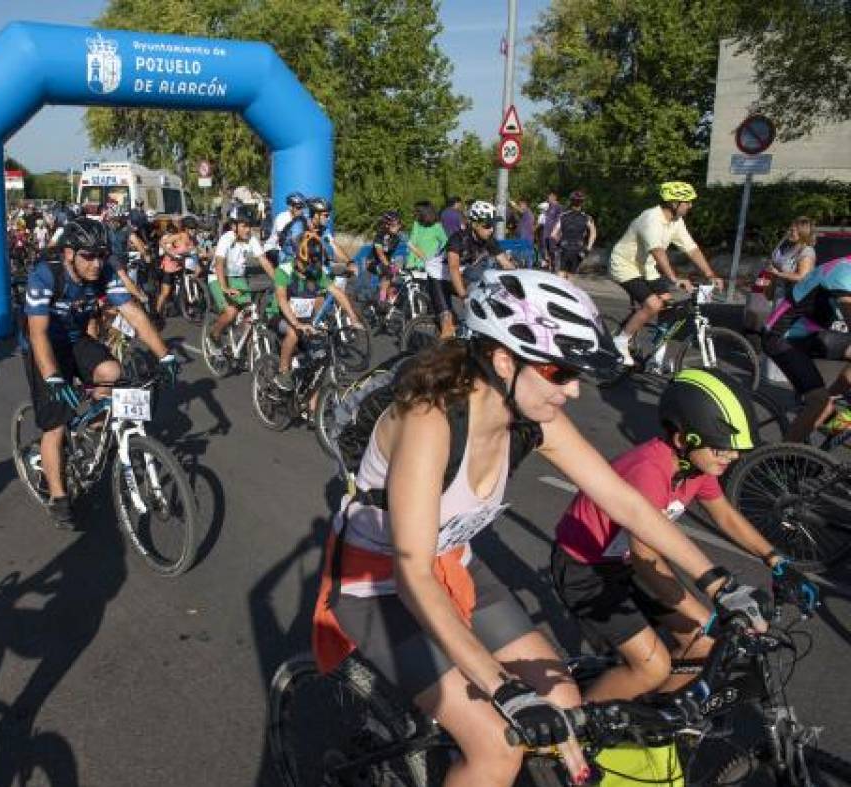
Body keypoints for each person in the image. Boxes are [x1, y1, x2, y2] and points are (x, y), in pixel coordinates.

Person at [310, 269, 767, 787]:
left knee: (565, 704)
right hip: (379, 585)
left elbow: (628, 505)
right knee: (496, 749)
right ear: (503, 359)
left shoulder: (532, 414)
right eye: (558, 373)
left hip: (456, 565)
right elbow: (413, 574)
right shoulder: (430, 421)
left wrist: (719, 584)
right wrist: (502, 689)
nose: (573, 391)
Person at [552, 369, 817, 702]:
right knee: (652, 667)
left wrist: (777, 560)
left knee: (703, 648)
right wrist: (706, 617)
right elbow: (646, 560)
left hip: (626, 561)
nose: (732, 457)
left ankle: (648, 720)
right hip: (585, 569)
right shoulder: (650, 470)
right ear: (683, 440)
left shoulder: (695, 465)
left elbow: (725, 515)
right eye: (722, 449)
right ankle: (583, 735)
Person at [22, 218, 177, 530]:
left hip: (77, 339)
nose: (96, 263)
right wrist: (53, 377)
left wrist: (165, 353)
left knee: (113, 371)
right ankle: (58, 495)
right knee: (56, 425)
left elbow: (132, 312)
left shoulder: (104, 273)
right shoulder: (45, 276)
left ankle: (93, 426)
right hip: (44, 346)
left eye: (102, 255)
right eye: (88, 256)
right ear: (69, 254)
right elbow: (38, 333)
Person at [608, 182, 724, 366]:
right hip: (624, 266)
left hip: (646, 268)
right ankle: (620, 341)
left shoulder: (676, 221)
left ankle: (657, 354)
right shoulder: (651, 219)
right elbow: (658, 251)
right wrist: (674, 279)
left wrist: (710, 274)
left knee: (668, 306)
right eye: (687, 202)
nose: (691, 205)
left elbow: (691, 248)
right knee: (653, 304)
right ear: (673, 203)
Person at [763, 256, 851, 441]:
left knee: (825, 401)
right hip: (782, 336)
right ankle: (782, 458)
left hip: (808, 334)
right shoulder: (844, 272)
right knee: (819, 400)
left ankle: (829, 409)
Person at [268, 224, 360, 392]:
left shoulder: (316, 272)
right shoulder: (284, 271)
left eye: (315, 261)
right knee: (293, 333)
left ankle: (311, 411)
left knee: (318, 360)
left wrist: (353, 317)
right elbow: (281, 300)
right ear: (299, 257)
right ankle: (283, 372)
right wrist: (297, 324)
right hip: (280, 316)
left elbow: (337, 293)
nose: (312, 266)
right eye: (309, 262)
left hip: (305, 319)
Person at [432, 201, 514, 339]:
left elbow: (506, 264)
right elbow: (453, 269)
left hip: (460, 276)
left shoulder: (488, 239)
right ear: (475, 224)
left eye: (493, 225)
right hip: (438, 277)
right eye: (487, 225)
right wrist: (464, 297)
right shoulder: (458, 239)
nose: (491, 229)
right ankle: (436, 357)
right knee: (448, 328)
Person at [205, 208, 274, 356]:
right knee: (231, 312)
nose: (248, 229)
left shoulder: (251, 239)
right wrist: (224, 287)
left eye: (249, 225)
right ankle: (214, 335)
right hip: (218, 277)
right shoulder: (226, 239)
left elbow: (264, 261)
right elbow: (219, 264)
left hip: (238, 279)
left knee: (250, 312)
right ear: (233, 226)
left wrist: (279, 281)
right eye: (244, 226)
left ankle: (238, 341)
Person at [765, 216, 817, 305]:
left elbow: (802, 277)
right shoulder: (788, 249)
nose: (788, 233)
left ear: (802, 233)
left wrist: (778, 273)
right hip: (779, 297)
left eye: (792, 231)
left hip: (792, 302)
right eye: (789, 230)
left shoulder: (806, 251)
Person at [549, 191, 596, 281]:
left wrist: (559, 243)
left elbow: (553, 234)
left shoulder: (563, 216)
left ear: (571, 202)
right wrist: (588, 248)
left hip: (564, 249)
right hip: (577, 250)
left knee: (560, 276)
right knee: (571, 278)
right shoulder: (587, 218)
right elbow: (593, 233)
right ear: (582, 203)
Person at [371, 211, 409, 304]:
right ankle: (382, 301)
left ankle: (389, 299)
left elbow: (413, 247)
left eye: (399, 224)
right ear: (387, 225)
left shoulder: (399, 235)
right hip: (373, 262)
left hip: (387, 261)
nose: (398, 227)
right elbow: (380, 255)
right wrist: (390, 265)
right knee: (388, 276)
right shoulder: (380, 236)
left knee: (396, 278)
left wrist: (425, 259)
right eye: (394, 225)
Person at [263, 191, 306, 268]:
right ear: (290, 207)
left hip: (290, 248)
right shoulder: (282, 218)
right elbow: (283, 239)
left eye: (302, 207)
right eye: (298, 207)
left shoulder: (302, 218)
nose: (301, 210)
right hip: (274, 248)